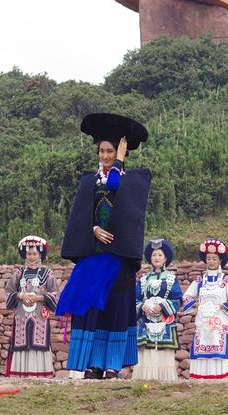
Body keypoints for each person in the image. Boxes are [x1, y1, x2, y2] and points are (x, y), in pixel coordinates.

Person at [57, 113, 151, 379]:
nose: (106, 156)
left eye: (111, 151)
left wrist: (121, 161)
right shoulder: (88, 181)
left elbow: (115, 186)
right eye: (102, 151)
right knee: (90, 306)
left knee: (116, 308)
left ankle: (112, 364)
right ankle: (93, 363)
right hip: (95, 251)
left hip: (118, 256)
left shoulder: (135, 180)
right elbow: (79, 217)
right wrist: (93, 229)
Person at [183, 238, 228, 379]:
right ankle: (199, 375)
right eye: (208, 258)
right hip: (202, 321)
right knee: (201, 344)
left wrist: (222, 306)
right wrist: (196, 305)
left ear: (220, 260)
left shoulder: (226, 280)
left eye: (214, 259)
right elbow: (186, 297)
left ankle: (218, 375)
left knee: (217, 343)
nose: (211, 261)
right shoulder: (200, 280)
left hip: (218, 321)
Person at [5, 236, 58, 377]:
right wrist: (20, 296)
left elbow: (55, 295)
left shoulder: (48, 274)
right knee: (21, 341)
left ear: (40, 254)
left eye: (34, 254)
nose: (32, 257)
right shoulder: (19, 274)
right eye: (29, 254)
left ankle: (40, 373)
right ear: (25, 255)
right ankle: (20, 373)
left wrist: (39, 297)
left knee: (38, 340)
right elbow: (9, 292)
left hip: (39, 314)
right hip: (22, 314)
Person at [132, 238, 182, 381]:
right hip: (145, 321)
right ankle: (145, 379)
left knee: (163, 352)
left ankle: (165, 381)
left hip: (164, 322)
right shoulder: (143, 279)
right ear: (150, 258)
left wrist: (162, 306)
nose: (157, 258)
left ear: (165, 258)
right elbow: (135, 299)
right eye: (154, 255)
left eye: (160, 255)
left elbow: (178, 299)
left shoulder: (172, 278)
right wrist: (143, 306)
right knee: (146, 352)